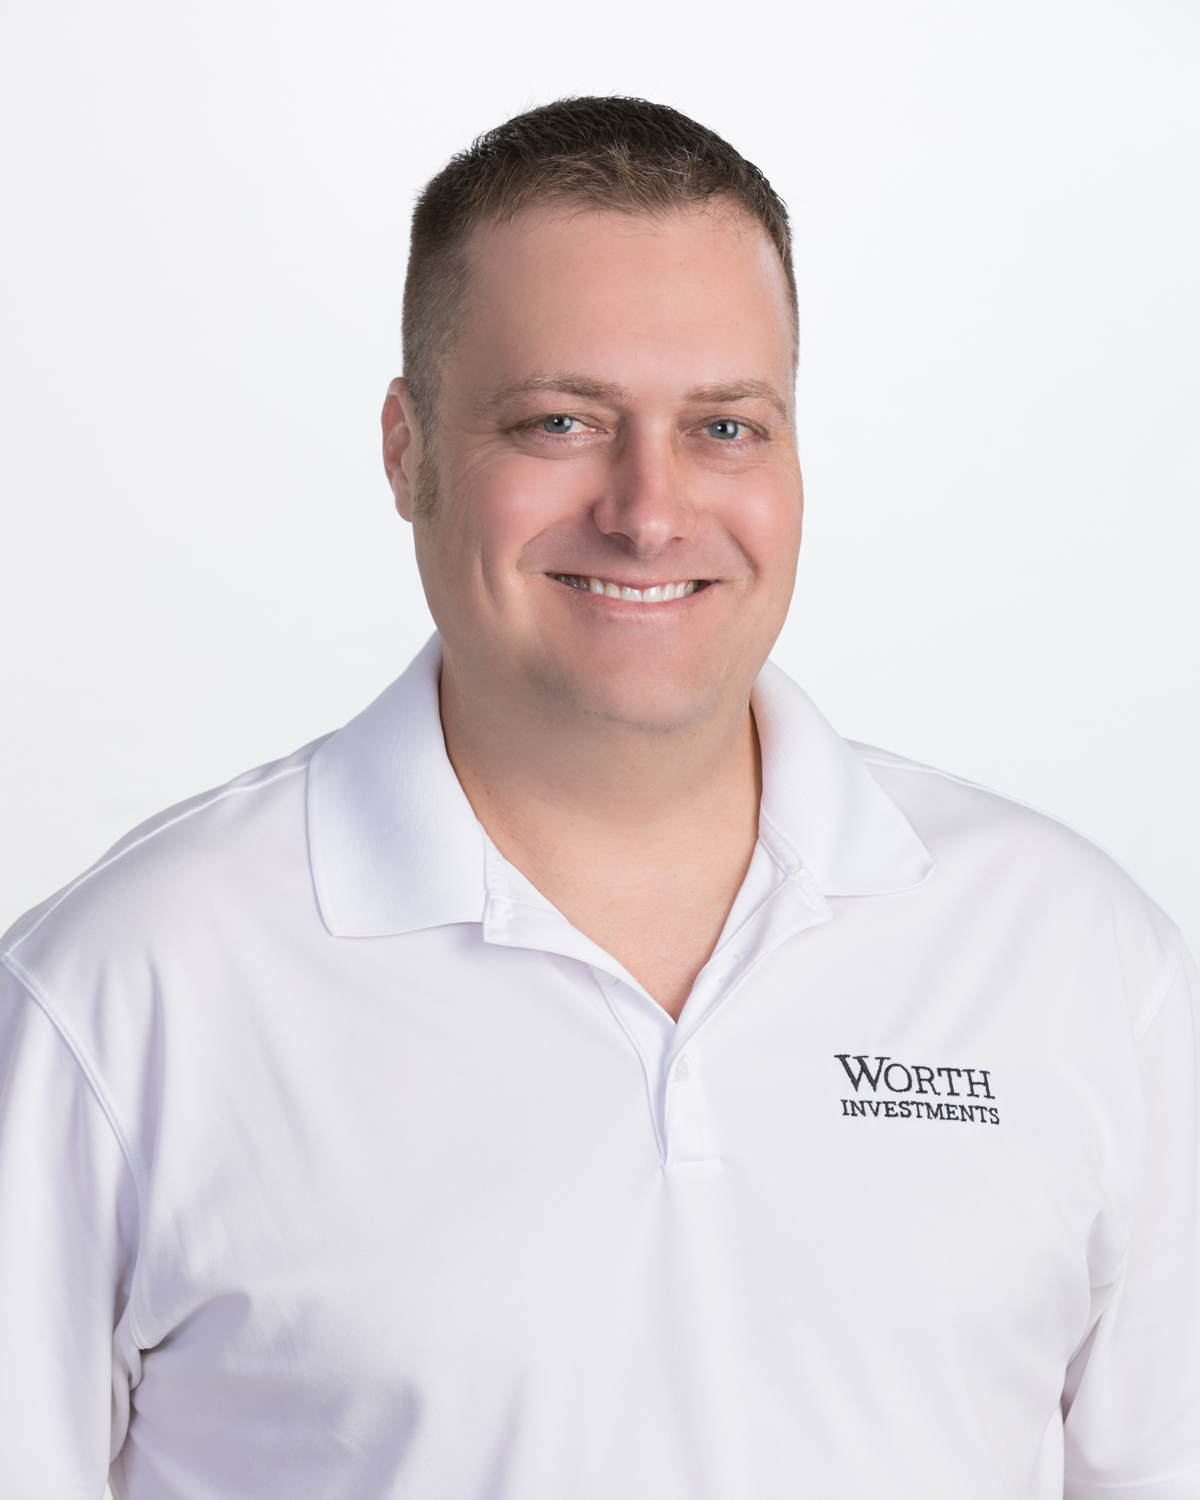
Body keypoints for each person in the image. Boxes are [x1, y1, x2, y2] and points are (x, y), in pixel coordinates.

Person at [0, 96, 1196, 1500]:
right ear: (406, 450)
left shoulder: (1078, 961)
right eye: (560, 421)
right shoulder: (119, 995)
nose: (649, 510)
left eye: (726, 427)